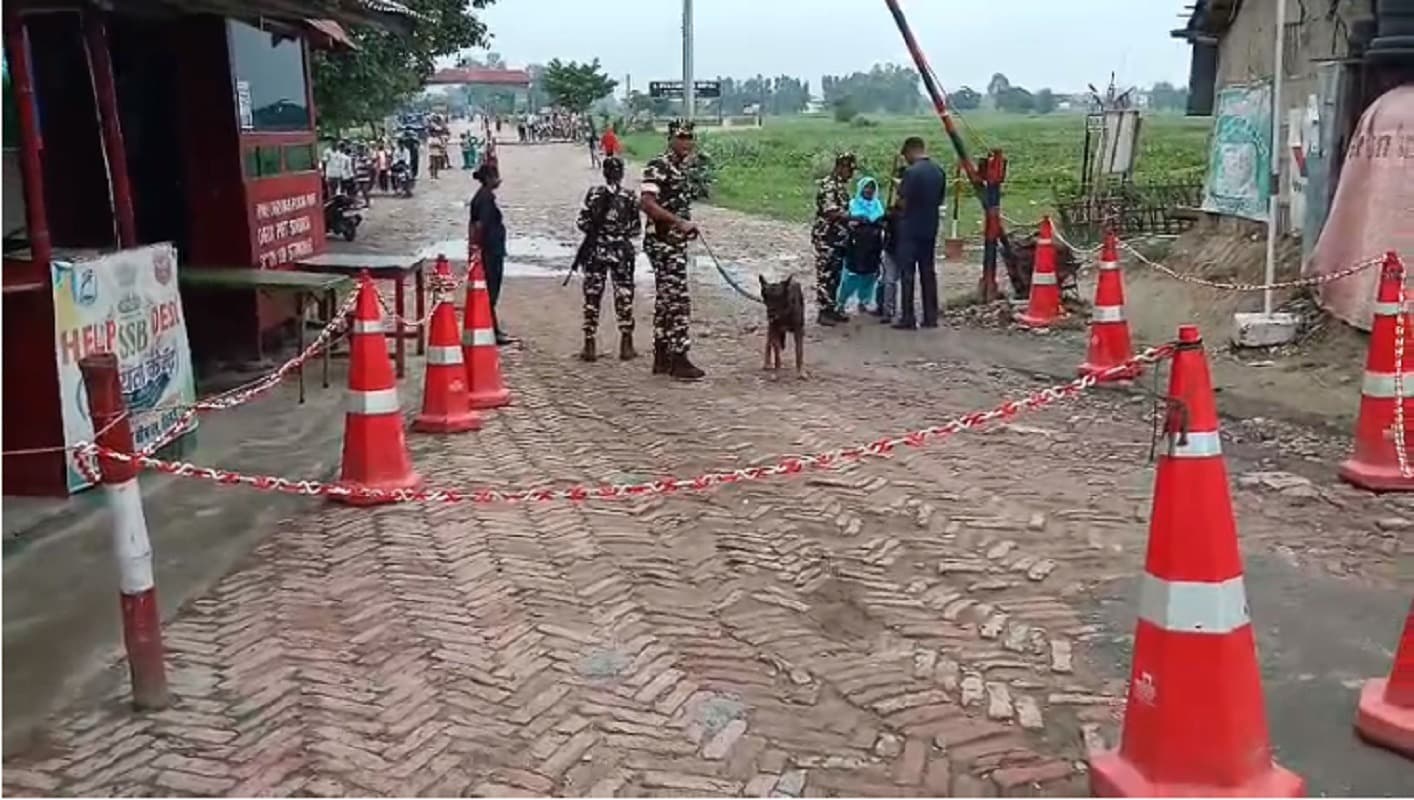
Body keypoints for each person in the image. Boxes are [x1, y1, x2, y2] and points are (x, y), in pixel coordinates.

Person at [640, 119, 703, 380]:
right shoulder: (659, 166)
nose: (687, 142)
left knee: (666, 300)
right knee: (678, 300)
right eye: (682, 137)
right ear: (670, 138)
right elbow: (646, 203)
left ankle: (662, 357)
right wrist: (679, 222)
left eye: (690, 137)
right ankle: (679, 359)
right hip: (662, 242)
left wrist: (685, 227)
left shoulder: (680, 169)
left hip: (675, 241)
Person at [575, 156, 642, 362]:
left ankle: (589, 343)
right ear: (621, 174)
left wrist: (599, 232)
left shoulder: (594, 194)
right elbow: (636, 228)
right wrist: (618, 234)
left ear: (604, 173)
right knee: (624, 295)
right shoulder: (630, 197)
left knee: (592, 297)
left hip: (596, 251)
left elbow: (582, 222)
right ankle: (626, 343)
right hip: (621, 251)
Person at [893, 136, 947, 329]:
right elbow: (940, 200)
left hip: (910, 229)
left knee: (907, 273)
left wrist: (899, 192)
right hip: (930, 228)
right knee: (928, 272)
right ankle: (930, 316)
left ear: (910, 151)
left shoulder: (911, 173)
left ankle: (908, 317)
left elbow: (903, 202)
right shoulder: (939, 171)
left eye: (905, 155)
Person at [468, 163, 514, 345]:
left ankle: (492, 328)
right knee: (490, 293)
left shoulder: (483, 197)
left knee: (489, 293)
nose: (498, 180)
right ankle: (491, 331)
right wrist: (477, 249)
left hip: (489, 249)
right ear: (488, 179)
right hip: (489, 251)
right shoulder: (485, 199)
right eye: (495, 177)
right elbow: (479, 226)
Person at [811, 152, 856, 326]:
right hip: (827, 237)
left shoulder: (840, 186)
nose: (851, 175)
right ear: (841, 167)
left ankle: (832, 308)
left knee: (836, 274)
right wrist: (853, 217)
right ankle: (824, 312)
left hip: (837, 238)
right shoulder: (829, 186)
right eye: (849, 170)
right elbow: (831, 212)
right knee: (826, 274)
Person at [838, 177, 885, 314]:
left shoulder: (877, 205)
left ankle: (864, 301)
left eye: (872, 188)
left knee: (870, 275)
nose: (869, 191)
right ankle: (841, 302)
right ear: (860, 189)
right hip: (856, 245)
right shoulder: (853, 204)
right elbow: (847, 223)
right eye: (866, 187)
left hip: (873, 245)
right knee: (851, 274)